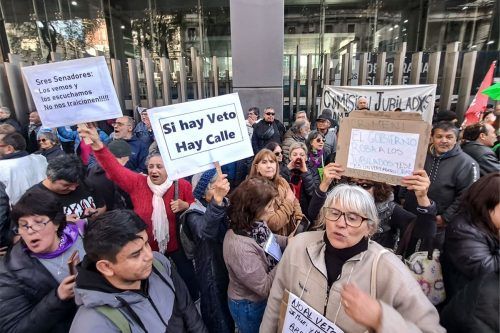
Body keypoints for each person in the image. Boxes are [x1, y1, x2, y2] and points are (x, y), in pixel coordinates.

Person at [260, 184, 445, 333]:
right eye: (334, 213)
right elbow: (276, 300)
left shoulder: (389, 270)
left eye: (353, 217)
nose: (341, 224)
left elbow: (430, 329)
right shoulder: (298, 247)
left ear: (370, 227)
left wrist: (381, 320)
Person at [78, 124, 199, 301]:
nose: (154, 170)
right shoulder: (138, 183)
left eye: (159, 166)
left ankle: (193, 298)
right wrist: (98, 145)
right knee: (151, 281)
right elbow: (115, 169)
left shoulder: (182, 185)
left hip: (177, 245)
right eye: (151, 166)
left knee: (187, 276)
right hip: (145, 247)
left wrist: (185, 205)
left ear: (169, 169)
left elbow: (196, 208)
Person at [70, 210, 207, 333]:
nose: (149, 256)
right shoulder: (93, 324)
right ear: (106, 267)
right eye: (136, 254)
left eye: (146, 244)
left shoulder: (159, 264)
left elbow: (188, 311)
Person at [0, 189, 84, 333]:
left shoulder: (80, 235)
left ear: (56, 223)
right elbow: (13, 329)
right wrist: (58, 297)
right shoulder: (10, 273)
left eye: (38, 223)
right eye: (24, 225)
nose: (30, 231)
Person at [223, 178, 288, 333]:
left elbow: (269, 240)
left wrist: (289, 241)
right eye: (270, 206)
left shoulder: (255, 223)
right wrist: (288, 258)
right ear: (254, 208)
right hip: (250, 307)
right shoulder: (239, 247)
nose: (273, 210)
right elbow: (264, 287)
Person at [440, 172, 499, 333]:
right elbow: (488, 273)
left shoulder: (488, 225)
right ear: (487, 205)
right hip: (468, 308)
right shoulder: (463, 229)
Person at [181, 170, 234, 333]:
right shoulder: (193, 214)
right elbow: (205, 232)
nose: (221, 189)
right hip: (211, 273)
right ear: (203, 192)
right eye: (215, 187)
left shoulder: (222, 204)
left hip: (223, 267)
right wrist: (217, 201)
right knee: (217, 313)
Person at [403, 121, 479, 229]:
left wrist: (446, 218)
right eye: (439, 136)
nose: (444, 141)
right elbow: (407, 174)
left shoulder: (467, 164)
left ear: (456, 139)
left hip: (438, 222)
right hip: (411, 214)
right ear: (432, 137)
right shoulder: (420, 154)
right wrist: (403, 196)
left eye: (449, 137)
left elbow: (467, 196)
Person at [26, 154, 106, 220]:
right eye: (66, 185)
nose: (73, 188)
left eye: (77, 184)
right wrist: (61, 222)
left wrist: (95, 213)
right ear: (50, 177)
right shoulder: (33, 198)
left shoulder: (85, 183)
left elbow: (102, 206)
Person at [248, 149, 303, 236]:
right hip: (272, 240)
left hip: (290, 235)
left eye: (272, 161)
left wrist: (299, 218)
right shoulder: (255, 189)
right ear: (257, 167)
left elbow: (294, 200)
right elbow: (273, 223)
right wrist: (288, 201)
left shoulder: (282, 181)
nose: (269, 166)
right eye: (264, 162)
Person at [85, 139, 133, 211]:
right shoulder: (116, 176)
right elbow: (127, 201)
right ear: (121, 157)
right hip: (114, 215)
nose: (128, 159)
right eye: (127, 156)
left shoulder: (93, 168)